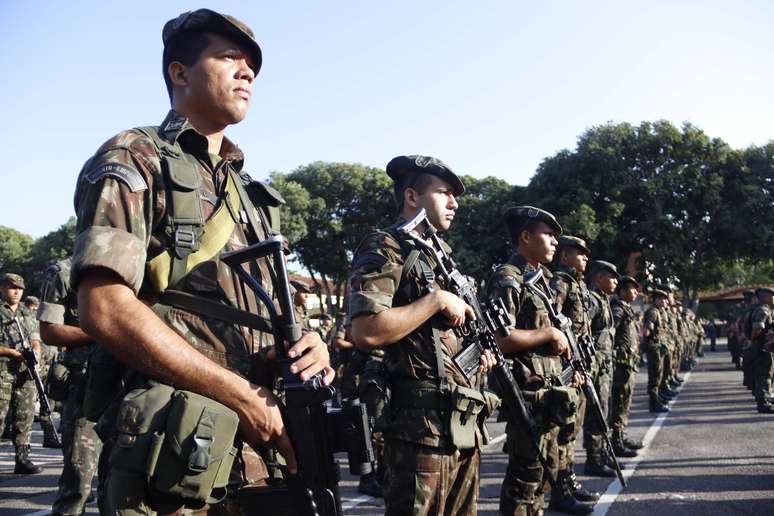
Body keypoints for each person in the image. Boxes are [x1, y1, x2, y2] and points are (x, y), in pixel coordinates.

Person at [71, 9, 333, 513]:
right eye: (229, 57)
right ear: (180, 72)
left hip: (258, 452)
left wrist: (307, 347)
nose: (247, 72)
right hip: (171, 451)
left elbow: (266, 315)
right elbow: (102, 306)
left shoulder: (251, 195)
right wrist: (241, 396)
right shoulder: (135, 157)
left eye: (252, 66)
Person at [349, 155, 495, 515]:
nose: (454, 202)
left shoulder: (440, 259)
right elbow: (366, 330)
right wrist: (435, 301)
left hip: (461, 425)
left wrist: (479, 357)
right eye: (444, 192)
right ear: (412, 197)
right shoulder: (386, 246)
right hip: (419, 433)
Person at [487, 206, 585, 516]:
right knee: (524, 477)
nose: (555, 241)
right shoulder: (508, 278)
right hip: (526, 394)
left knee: (543, 473)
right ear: (525, 237)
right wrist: (547, 334)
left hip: (549, 390)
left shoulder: (540, 281)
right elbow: (500, 339)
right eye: (548, 235)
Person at [38, 258, 102, 515]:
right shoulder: (64, 272)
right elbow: (50, 331)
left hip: (127, 386)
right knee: (78, 479)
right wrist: (106, 331)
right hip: (83, 387)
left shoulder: (137, 268)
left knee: (121, 482)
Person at [548, 235, 599, 511]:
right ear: (565, 256)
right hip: (566, 370)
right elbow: (553, 326)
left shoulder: (577, 285)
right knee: (564, 431)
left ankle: (569, 481)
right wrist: (568, 366)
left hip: (579, 367)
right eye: (580, 253)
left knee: (572, 431)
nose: (585, 258)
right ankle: (560, 490)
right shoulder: (559, 283)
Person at [0, 273, 44, 474]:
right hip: (3, 372)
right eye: (12, 287)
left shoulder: (28, 312)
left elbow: (35, 336)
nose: (16, 291)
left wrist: (35, 350)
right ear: (2, 288)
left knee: (24, 417)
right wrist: (12, 353)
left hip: (25, 373)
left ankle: (22, 459)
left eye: (20, 288)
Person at [584, 261, 623, 473]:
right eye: (612, 277)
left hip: (605, 365)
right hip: (595, 366)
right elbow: (582, 330)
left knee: (604, 410)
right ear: (599, 277)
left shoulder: (604, 300)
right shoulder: (591, 300)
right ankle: (594, 458)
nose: (616, 281)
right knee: (595, 413)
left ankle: (602, 453)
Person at [609, 275, 644, 454]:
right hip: (620, 366)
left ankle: (620, 436)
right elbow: (609, 334)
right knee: (619, 403)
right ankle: (616, 441)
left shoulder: (627, 309)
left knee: (625, 402)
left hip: (628, 365)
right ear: (622, 291)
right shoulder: (618, 309)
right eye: (632, 288)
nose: (636, 292)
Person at [643, 289, 671, 413]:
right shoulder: (653, 312)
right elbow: (647, 330)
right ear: (657, 300)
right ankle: (653, 403)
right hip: (654, 348)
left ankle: (657, 398)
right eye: (663, 299)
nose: (666, 301)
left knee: (658, 375)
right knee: (654, 376)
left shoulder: (658, 311)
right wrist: (647, 341)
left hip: (658, 348)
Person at [749, 287, 774, 413]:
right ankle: (763, 404)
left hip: (764, 347)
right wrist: (756, 342)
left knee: (765, 375)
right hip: (763, 348)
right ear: (765, 297)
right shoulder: (763, 311)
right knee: (764, 376)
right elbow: (757, 329)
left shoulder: (763, 309)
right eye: (772, 296)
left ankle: (766, 400)